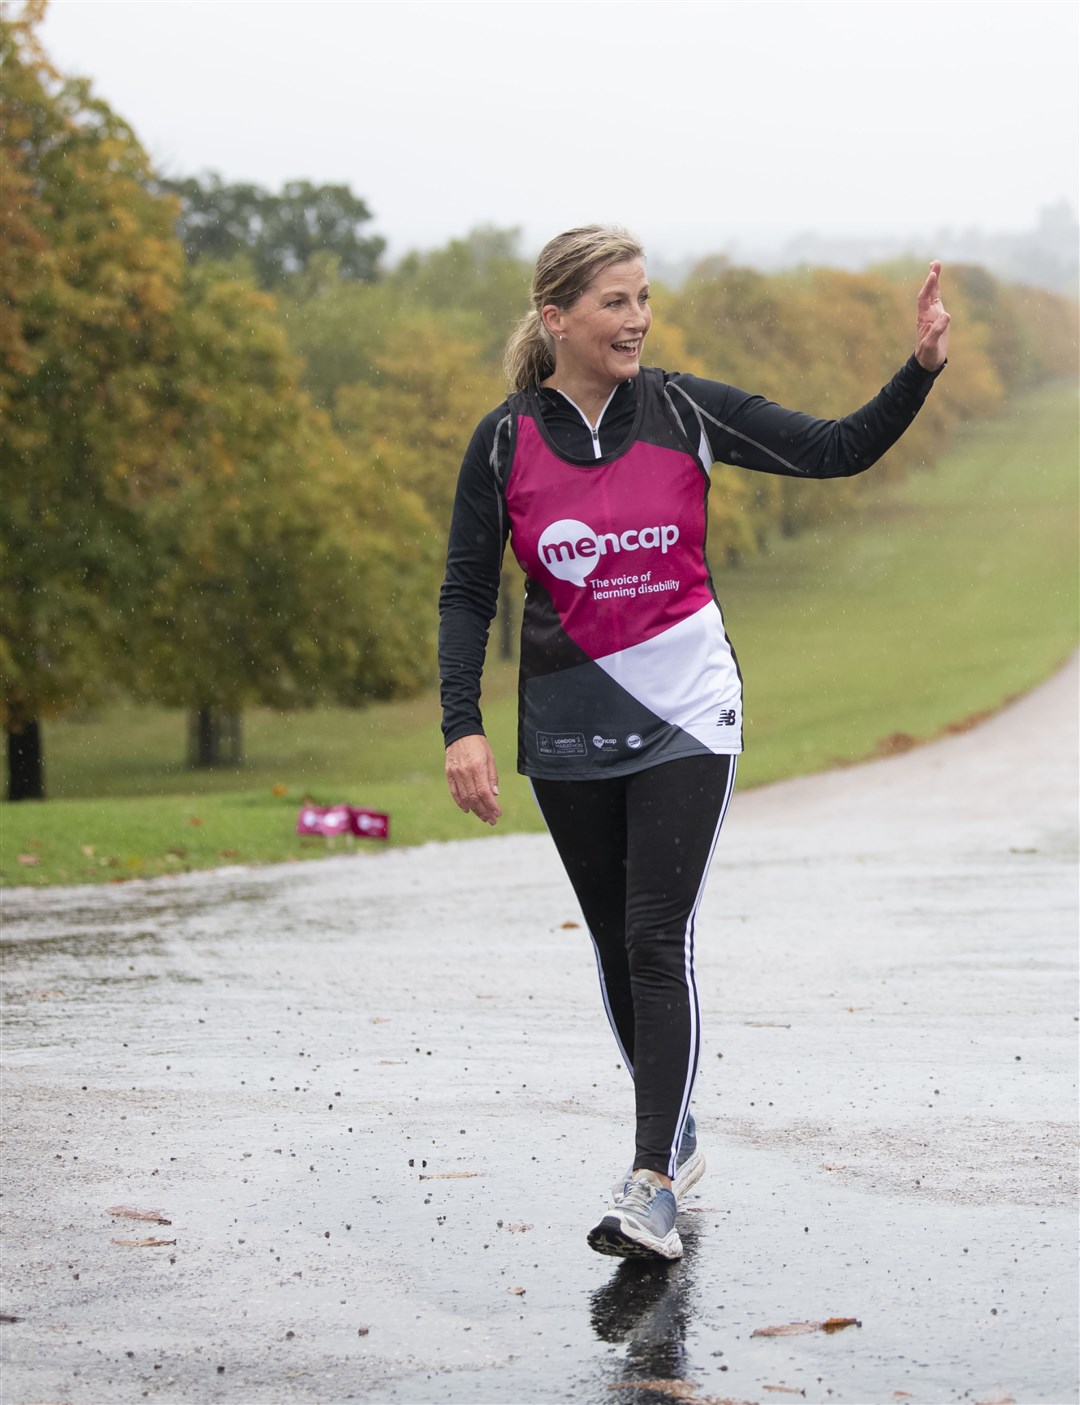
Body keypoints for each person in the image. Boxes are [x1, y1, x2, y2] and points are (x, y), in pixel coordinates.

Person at [438, 226, 950, 1261]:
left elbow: (835, 447)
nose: (637, 319)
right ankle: (675, 1131)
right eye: (615, 302)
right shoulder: (502, 441)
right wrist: (463, 725)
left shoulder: (685, 409)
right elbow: (465, 592)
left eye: (643, 299)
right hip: (567, 730)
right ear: (557, 318)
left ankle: (652, 1183)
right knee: (615, 949)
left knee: (652, 936)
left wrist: (921, 369)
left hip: (687, 716)